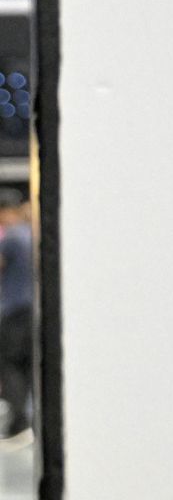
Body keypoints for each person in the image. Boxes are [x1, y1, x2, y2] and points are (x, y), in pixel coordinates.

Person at [0, 188, 30, 441]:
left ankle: (18, 421)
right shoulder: (31, 233)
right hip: (31, 308)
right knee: (27, 364)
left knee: (11, 364)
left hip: (13, 308)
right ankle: (26, 417)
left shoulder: (10, 239)